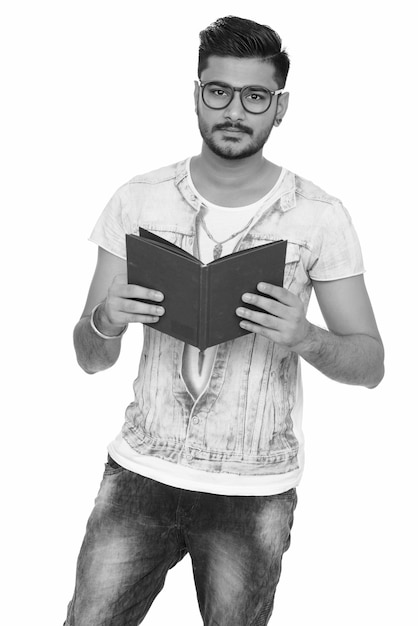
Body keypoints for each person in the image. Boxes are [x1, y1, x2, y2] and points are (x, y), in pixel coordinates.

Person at [64, 15, 384, 626]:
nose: (233, 111)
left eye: (255, 96)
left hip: (254, 491)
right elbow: (88, 355)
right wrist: (105, 321)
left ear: (279, 107)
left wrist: (307, 337)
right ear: (196, 94)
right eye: (218, 92)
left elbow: (371, 365)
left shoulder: (320, 216)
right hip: (138, 475)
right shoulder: (137, 198)